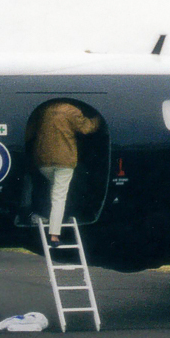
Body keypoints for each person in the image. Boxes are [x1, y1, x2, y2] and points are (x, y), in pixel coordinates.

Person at [29, 101, 101, 245]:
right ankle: (54, 234)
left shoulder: (44, 109)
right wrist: (97, 118)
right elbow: (87, 128)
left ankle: (45, 215)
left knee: (53, 188)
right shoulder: (72, 110)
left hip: (43, 160)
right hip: (64, 161)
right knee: (59, 196)